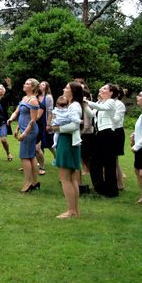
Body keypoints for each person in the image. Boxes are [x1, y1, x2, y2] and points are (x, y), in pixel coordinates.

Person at [51, 82, 84, 218]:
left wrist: (58, 128)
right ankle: (74, 210)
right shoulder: (73, 105)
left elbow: (75, 125)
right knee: (71, 178)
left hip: (67, 140)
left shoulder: (74, 106)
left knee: (65, 178)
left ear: (72, 92)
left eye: (67, 88)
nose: (64, 89)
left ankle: (71, 210)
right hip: (70, 141)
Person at [85, 84, 119, 198]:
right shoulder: (99, 103)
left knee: (109, 163)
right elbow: (92, 114)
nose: (101, 90)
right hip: (99, 134)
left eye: (105, 89)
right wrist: (84, 105)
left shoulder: (111, 102)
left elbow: (102, 109)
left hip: (108, 133)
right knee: (95, 162)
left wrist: (87, 102)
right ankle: (100, 187)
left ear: (111, 93)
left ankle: (111, 190)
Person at [8, 78, 40, 192]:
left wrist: (25, 134)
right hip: (24, 130)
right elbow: (17, 112)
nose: (24, 84)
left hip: (30, 132)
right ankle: (35, 182)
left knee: (24, 156)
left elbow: (33, 120)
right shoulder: (24, 98)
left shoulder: (33, 101)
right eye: (25, 82)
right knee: (31, 156)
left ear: (32, 87)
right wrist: (11, 120)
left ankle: (28, 183)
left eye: (27, 83)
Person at [36, 80, 54, 175]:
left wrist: (48, 123)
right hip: (37, 122)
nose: (41, 85)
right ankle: (40, 162)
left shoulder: (48, 97)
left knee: (49, 142)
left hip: (44, 121)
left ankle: (57, 158)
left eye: (43, 84)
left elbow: (50, 111)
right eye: (40, 84)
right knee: (40, 143)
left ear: (46, 87)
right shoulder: (36, 96)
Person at [112, 87, 127, 190]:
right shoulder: (110, 103)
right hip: (111, 131)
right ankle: (118, 181)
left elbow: (116, 120)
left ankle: (120, 183)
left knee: (114, 159)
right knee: (113, 159)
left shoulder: (119, 104)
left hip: (116, 132)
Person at [0, 84, 13, 161]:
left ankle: (8, 153)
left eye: (1, 88)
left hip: (2, 122)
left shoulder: (4, 100)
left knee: (3, 140)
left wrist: (9, 87)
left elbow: (10, 96)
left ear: (4, 91)